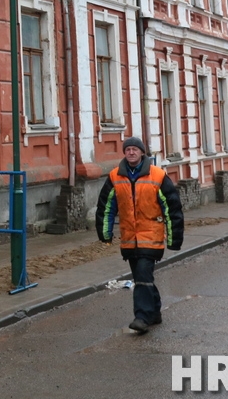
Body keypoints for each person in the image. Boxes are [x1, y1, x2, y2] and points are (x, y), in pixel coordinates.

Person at [95, 137, 185, 334]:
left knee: (143, 275)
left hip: (151, 236)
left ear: (142, 152)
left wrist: (174, 238)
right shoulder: (115, 176)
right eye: (128, 150)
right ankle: (154, 312)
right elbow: (106, 207)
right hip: (129, 238)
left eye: (135, 149)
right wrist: (105, 233)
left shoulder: (158, 176)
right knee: (141, 277)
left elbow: (172, 208)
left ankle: (142, 316)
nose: (131, 152)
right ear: (124, 153)